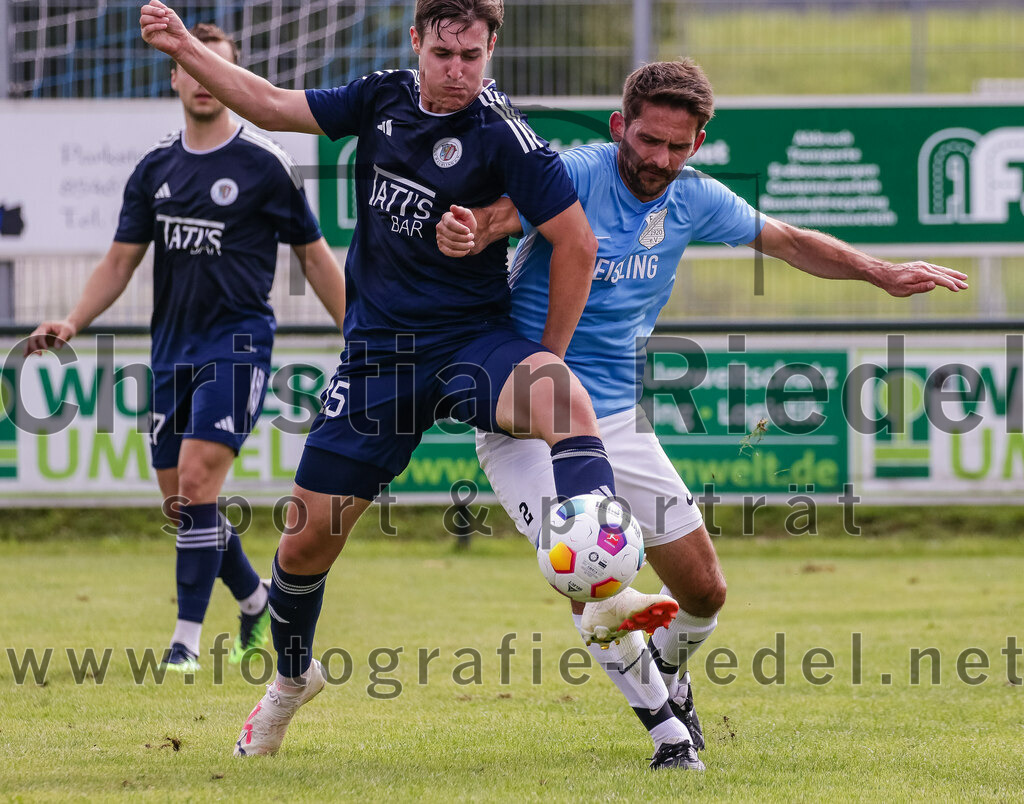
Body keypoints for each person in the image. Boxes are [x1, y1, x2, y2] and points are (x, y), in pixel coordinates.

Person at [139, 0, 679, 758]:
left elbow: (577, 245)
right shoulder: (380, 97)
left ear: (492, 48)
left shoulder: (505, 133)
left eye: (472, 56)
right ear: (417, 41)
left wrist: (547, 357)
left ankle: (605, 574)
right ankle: (291, 680)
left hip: (468, 343)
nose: (457, 71)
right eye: (443, 54)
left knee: (562, 397)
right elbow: (269, 104)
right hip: (378, 360)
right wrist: (184, 48)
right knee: (302, 549)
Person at [436, 59, 969, 770]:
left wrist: (882, 272)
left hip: (615, 418)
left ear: (698, 143)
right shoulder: (576, 174)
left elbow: (787, 240)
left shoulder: (693, 197)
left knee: (705, 593)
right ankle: (667, 734)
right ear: (620, 126)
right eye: (647, 140)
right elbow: (501, 216)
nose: (659, 159)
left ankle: (666, 669)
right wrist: (471, 230)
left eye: (676, 147)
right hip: (528, 415)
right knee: (589, 566)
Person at [25, 23, 346, 674]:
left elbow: (314, 257)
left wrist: (359, 334)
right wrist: (73, 321)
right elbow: (119, 261)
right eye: (191, 69)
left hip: (238, 344)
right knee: (184, 503)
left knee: (198, 482)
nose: (202, 81)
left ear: (232, 79)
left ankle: (185, 642)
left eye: (214, 69)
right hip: (171, 349)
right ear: (174, 77)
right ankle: (256, 599)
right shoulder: (155, 169)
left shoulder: (265, 164)